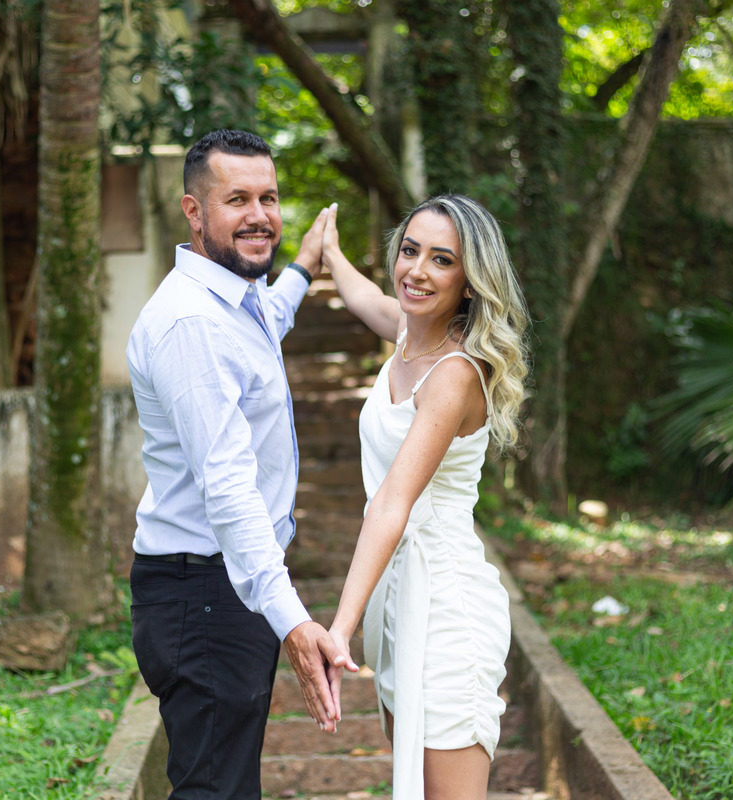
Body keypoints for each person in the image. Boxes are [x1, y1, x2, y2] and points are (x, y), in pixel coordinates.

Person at [125, 129, 354, 799]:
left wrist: (304, 266)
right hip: (203, 593)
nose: (259, 216)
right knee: (216, 791)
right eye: (237, 200)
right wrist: (293, 620)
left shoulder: (233, 301)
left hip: (222, 586)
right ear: (194, 212)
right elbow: (227, 487)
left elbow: (264, 326)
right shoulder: (192, 324)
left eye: (269, 198)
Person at [320, 195, 531, 800]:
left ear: (469, 280)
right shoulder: (410, 337)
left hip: (446, 609)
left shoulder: (455, 373)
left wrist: (340, 629)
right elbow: (366, 300)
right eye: (410, 251)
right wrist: (329, 253)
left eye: (442, 260)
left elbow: (394, 501)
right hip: (400, 602)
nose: (417, 271)